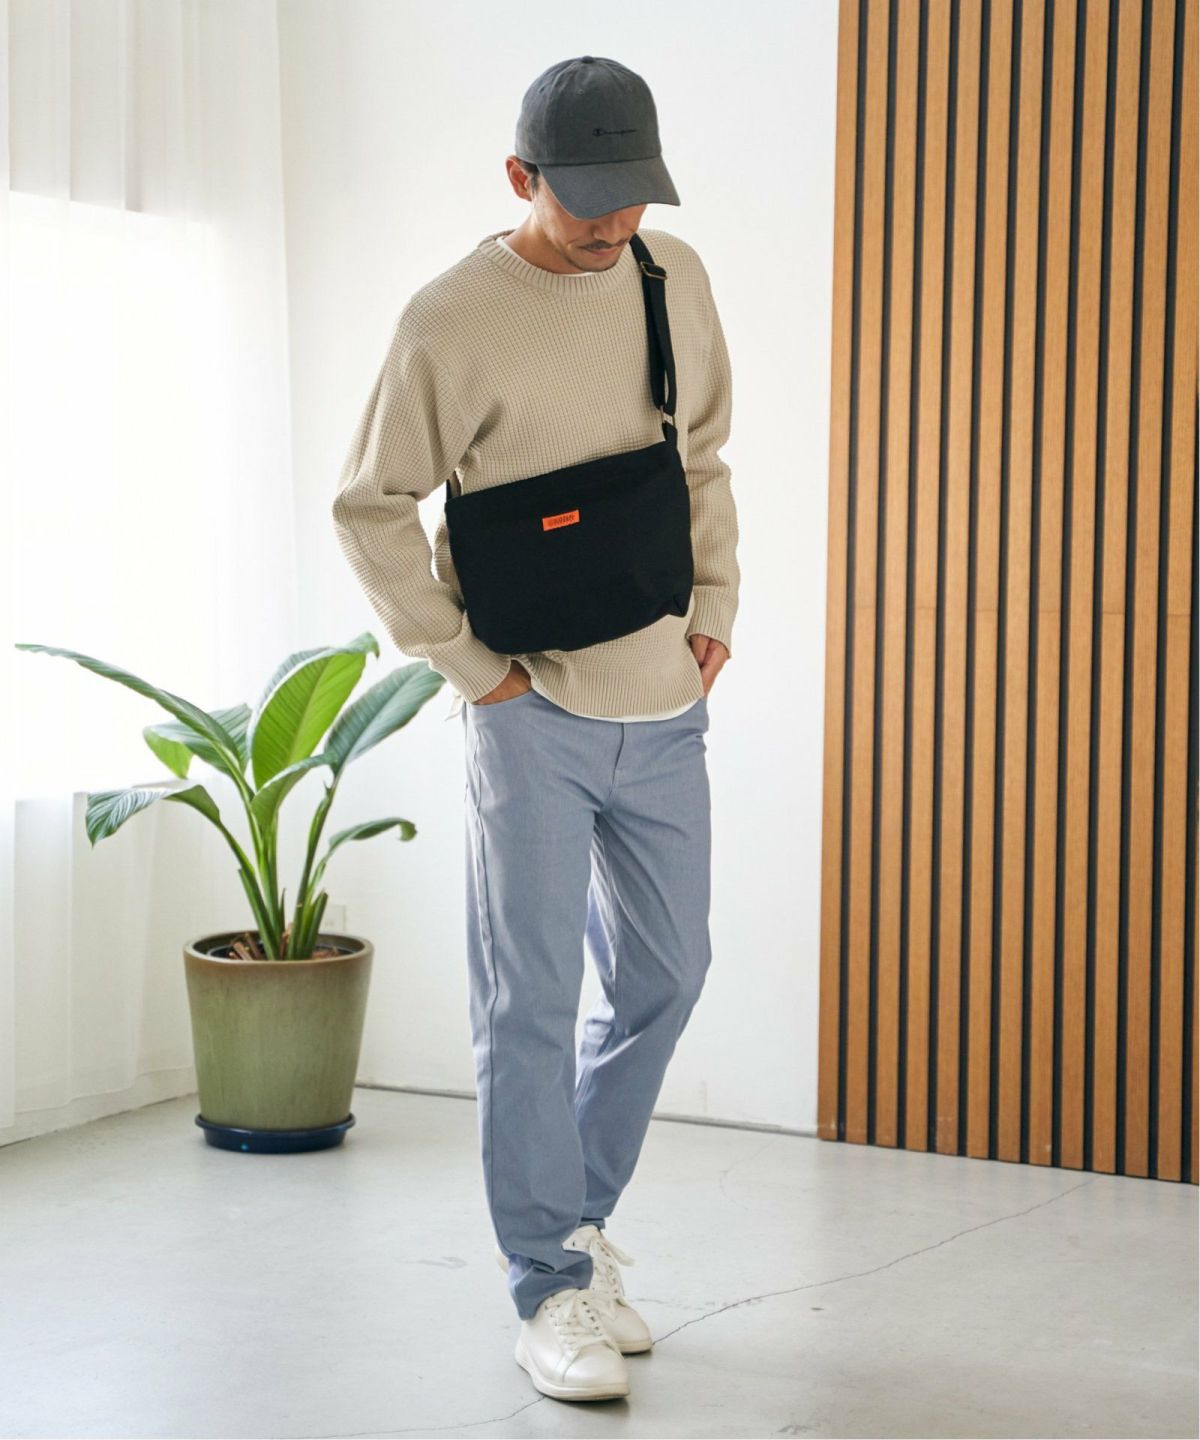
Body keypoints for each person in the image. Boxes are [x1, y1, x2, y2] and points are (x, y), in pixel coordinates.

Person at [331, 54, 739, 1403]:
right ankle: (545, 1285)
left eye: (635, 197)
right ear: (521, 176)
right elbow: (370, 504)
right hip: (529, 715)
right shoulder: (449, 319)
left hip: (663, 700)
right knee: (530, 1003)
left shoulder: (672, 275)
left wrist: (715, 611)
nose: (615, 224)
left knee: (668, 974)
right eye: (586, 199)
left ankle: (578, 1225)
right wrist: (468, 669)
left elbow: (699, 459)